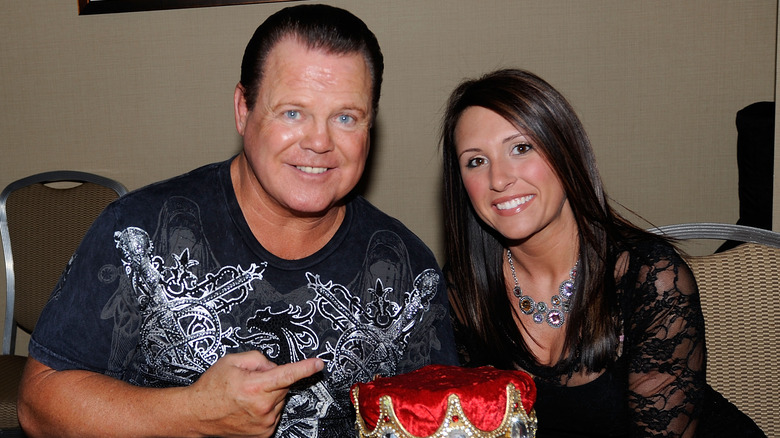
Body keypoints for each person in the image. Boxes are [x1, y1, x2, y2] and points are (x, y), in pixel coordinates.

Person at [17, 4, 456, 437]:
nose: (320, 142)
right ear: (243, 110)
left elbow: (444, 421)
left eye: (346, 117)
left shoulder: (407, 270)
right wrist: (193, 412)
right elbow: (39, 405)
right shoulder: (141, 231)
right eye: (292, 112)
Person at [440, 68, 765, 437]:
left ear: (565, 151)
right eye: (476, 161)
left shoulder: (649, 279)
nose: (498, 179)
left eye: (521, 147)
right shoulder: (463, 291)